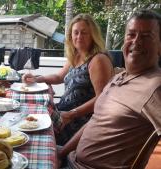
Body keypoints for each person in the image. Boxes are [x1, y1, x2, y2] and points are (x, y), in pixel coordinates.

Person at [58, 9, 161, 168]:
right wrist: (61, 154)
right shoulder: (119, 78)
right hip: (71, 159)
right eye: (131, 35)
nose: (136, 41)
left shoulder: (155, 86)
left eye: (147, 36)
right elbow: (94, 120)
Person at [22, 14, 114, 145]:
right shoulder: (77, 55)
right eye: (75, 33)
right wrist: (37, 79)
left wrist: (71, 114)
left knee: (35, 137)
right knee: (27, 118)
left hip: (80, 122)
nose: (79, 36)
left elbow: (102, 98)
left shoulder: (98, 60)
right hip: (64, 114)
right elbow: (59, 77)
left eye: (84, 33)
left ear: (93, 35)